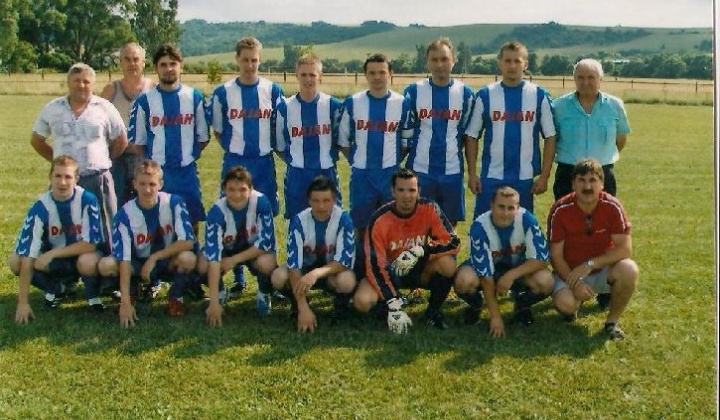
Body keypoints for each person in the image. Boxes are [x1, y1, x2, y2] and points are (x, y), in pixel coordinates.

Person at [208, 36, 284, 298]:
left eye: (254, 60)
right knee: (232, 214)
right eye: (245, 60)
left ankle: (267, 280)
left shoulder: (272, 90)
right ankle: (239, 277)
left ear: (260, 60)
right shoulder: (223, 93)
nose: (250, 65)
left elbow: (278, 126)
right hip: (236, 161)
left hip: (263, 162)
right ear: (237, 60)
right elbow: (218, 130)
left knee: (266, 214)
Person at [31, 62, 128, 248]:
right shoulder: (52, 108)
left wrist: (105, 160)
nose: (81, 85)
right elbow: (37, 140)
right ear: (68, 82)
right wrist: (58, 161)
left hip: (97, 179)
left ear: (93, 84)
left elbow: (121, 139)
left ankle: (108, 267)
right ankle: (63, 270)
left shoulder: (105, 107)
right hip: (64, 181)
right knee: (62, 226)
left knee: (106, 225)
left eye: (86, 81)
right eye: (76, 80)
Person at [354, 168, 460, 334]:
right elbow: (375, 265)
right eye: (401, 190)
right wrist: (392, 302)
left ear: (419, 191)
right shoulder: (379, 219)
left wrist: (421, 250)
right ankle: (389, 309)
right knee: (362, 301)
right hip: (389, 271)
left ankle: (432, 312)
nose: (406, 195)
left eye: (411, 190)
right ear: (392, 192)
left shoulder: (429, 208)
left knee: (447, 264)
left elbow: (453, 242)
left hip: (418, 269)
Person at [547, 158, 639, 341]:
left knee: (629, 269)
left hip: (600, 269)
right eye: (581, 180)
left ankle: (612, 322)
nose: (587, 186)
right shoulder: (560, 209)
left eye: (593, 180)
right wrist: (576, 283)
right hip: (570, 272)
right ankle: (575, 303)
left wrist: (591, 264)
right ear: (573, 184)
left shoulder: (612, 206)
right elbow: (556, 257)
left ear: (602, 184)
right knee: (565, 304)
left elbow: (625, 250)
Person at [338, 53, 412, 277]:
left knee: (392, 226)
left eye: (382, 72)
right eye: (372, 73)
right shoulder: (353, 103)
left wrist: (392, 162)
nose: (377, 77)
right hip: (362, 175)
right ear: (365, 75)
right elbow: (343, 140)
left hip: (390, 175)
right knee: (361, 227)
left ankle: (393, 278)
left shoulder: (402, 103)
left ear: (390, 74)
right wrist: (357, 161)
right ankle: (361, 274)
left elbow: (407, 141)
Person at [98, 160, 197, 327]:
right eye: (142, 184)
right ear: (134, 184)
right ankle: (131, 292)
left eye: (152, 184)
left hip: (166, 261)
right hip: (137, 264)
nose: (147, 189)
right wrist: (124, 303)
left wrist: (155, 258)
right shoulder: (125, 215)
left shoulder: (174, 203)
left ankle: (176, 297)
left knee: (188, 258)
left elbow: (187, 242)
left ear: (161, 184)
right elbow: (124, 259)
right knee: (106, 264)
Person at [464, 41, 556, 218]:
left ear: (525, 64)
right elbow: (471, 136)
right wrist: (473, 174)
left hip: (524, 179)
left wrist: (544, 176)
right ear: (500, 63)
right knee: (484, 229)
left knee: (519, 234)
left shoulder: (539, 95)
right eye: (507, 61)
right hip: (491, 177)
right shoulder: (485, 95)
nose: (512, 66)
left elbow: (550, 137)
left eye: (517, 61)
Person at [9, 156, 104, 323]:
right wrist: (23, 303)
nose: (62, 182)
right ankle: (55, 288)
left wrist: (54, 253)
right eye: (58, 176)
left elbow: (91, 244)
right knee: (15, 260)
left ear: (76, 179)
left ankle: (93, 297)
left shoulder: (88, 200)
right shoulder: (40, 206)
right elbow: (28, 253)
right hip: (56, 262)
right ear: (50, 178)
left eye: (68, 177)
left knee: (87, 261)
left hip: (82, 256)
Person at [128, 43, 209, 234]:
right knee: (158, 222)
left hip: (186, 172)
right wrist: (153, 166)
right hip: (158, 173)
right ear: (156, 68)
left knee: (191, 219)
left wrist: (187, 157)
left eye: (173, 64)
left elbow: (203, 138)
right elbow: (138, 143)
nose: (169, 69)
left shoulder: (194, 97)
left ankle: (191, 256)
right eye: (163, 64)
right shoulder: (144, 101)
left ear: (181, 66)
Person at [453, 186, 553, 337]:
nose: (506, 213)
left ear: (517, 208)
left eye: (511, 208)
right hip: (484, 273)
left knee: (546, 281)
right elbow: (486, 278)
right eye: (501, 207)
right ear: (491, 206)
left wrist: (511, 275)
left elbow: (543, 259)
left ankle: (521, 305)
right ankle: (476, 305)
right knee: (463, 281)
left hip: (515, 269)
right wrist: (496, 318)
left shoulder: (527, 219)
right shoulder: (480, 226)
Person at [271, 176, 356, 333]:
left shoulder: (344, 219)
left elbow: (344, 261)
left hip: (330, 273)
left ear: (334, 200)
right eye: (316, 201)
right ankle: (299, 305)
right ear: (309, 201)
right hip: (303, 273)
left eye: (326, 200)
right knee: (278, 277)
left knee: (347, 280)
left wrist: (316, 273)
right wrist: (303, 308)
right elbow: (294, 265)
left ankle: (340, 308)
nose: (321, 206)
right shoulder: (299, 221)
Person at [403, 38, 474, 226]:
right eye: (434, 60)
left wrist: (472, 172)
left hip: (451, 169)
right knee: (418, 223)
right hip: (420, 169)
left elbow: (468, 136)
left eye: (444, 59)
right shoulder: (413, 91)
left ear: (453, 60)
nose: (439, 64)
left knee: (449, 225)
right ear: (427, 62)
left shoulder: (466, 94)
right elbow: (405, 132)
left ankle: (446, 255)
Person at [198, 166, 278, 326]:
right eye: (231, 189)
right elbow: (213, 256)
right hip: (226, 252)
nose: (236, 195)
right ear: (223, 189)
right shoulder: (216, 211)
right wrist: (213, 302)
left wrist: (234, 260)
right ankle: (219, 292)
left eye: (242, 189)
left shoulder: (261, 202)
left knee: (267, 262)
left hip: (253, 252)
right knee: (202, 263)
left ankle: (264, 292)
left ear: (250, 189)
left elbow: (265, 244)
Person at [275, 53, 343, 221]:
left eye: (312, 74)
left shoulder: (333, 105)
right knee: (298, 222)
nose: (308, 79)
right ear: (296, 75)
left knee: (332, 222)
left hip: (326, 171)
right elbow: (279, 144)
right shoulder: (285, 107)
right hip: (297, 174)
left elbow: (341, 138)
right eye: (303, 74)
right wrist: (295, 160)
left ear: (320, 76)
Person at [552, 58, 631, 200]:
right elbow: (552, 140)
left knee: (604, 219)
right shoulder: (558, 107)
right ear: (574, 79)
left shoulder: (615, 106)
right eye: (580, 77)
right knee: (566, 219)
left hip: (603, 173)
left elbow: (620, 139)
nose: (585, 82)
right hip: (567, 174)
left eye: (591, 77)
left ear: (600, 79)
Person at [101, 42, 157, 206]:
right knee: (115, 202)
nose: (132, 64)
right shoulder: (111, 90)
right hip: (116, 156)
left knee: (144, 202)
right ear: (120, 62)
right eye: (127, 59)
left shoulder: (153, 89)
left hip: (144, 156)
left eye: (136, 59)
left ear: (143, 62)